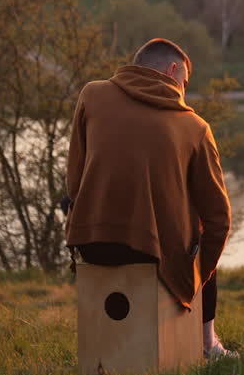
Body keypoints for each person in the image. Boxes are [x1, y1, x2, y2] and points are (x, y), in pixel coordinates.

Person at [65, 38, 233, 358]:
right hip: (156, 256)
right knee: (200, 235)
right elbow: (219, 220)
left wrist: (82, 220)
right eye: (184, 82)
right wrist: (199, 274)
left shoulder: (92, 94)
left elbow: (75, 177)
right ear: (172, 71)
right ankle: (207, 344)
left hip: (92, 244)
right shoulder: (195, 127)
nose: (183, 91)